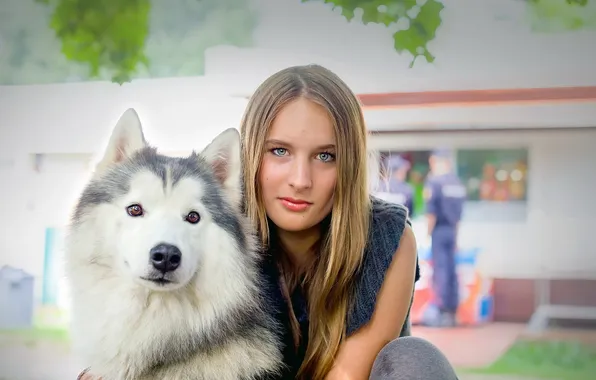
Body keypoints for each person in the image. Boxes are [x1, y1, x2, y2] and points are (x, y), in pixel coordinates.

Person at [78, 65, 459, 380]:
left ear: (351, 166)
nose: (301, 179)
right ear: (251, 154)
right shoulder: (220, 233)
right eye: (280, 151)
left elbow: (347, 376)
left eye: (325, 156)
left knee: (414, 359)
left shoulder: (386, 236)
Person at [423, 148, 467, 328]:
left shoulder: (434, 182)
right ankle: (452, 311)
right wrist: (456, 237)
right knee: (451, 271)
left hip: (439, 231)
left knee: (440, 271)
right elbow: (458, 217)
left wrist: (427, 235)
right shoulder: (457, 183)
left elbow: (431, 213)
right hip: (452, 231)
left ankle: (442, 313)